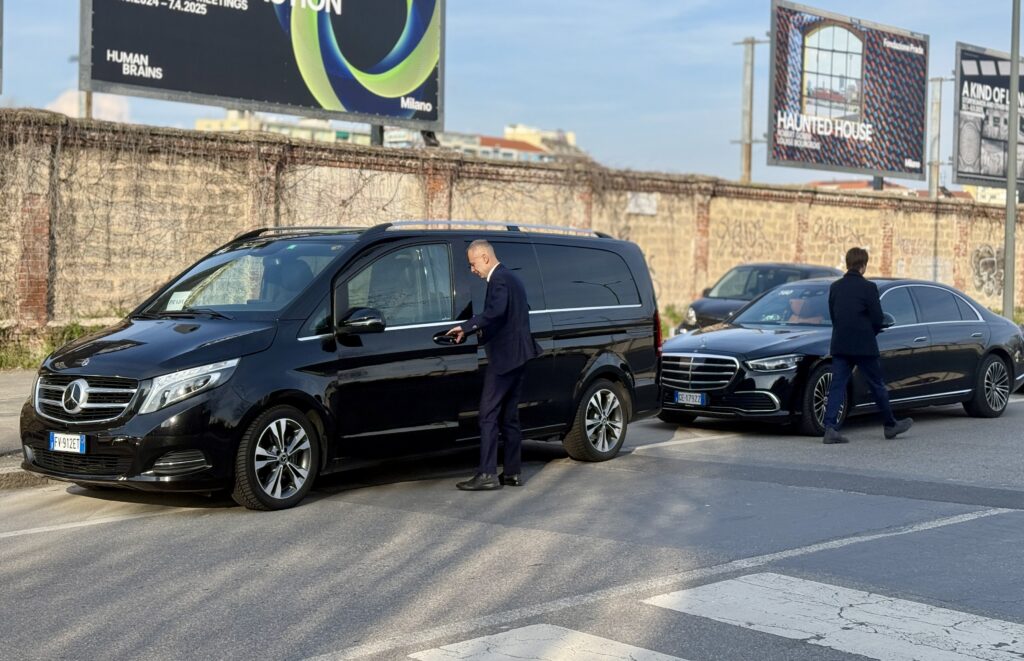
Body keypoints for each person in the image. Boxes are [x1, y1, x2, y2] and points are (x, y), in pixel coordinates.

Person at [446, 240, 542, 490]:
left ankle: (487, 473)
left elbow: (496, 312)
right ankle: (512, 473)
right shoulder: (512, 278)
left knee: (488, 414)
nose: (472, 269)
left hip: (505, 359)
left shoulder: (499, 279)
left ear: (485, 258)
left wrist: (467, 326)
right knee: (509, 416)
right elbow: (508, 318)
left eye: (472, 263)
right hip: (519, 356)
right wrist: (471, 333)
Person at [821, 247, 913, 444]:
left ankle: (830, 428)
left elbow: (834, 315)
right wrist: (869, 333)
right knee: (877, 384)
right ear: (863, 266)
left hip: (840, 344)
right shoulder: (869, 288)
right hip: (864, 345)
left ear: (847, 264)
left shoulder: (835, 287)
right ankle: (890, 425)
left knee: (837, 385)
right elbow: (878, 319)